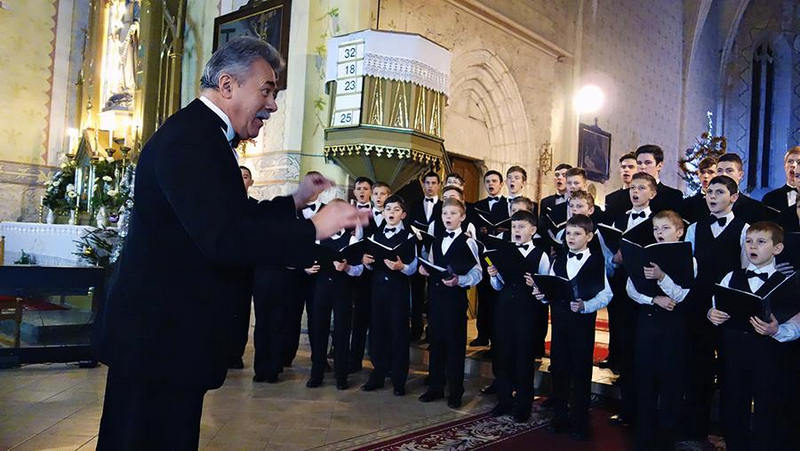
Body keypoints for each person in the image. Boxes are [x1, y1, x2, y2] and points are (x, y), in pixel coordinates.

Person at [93, 37, 367, 450]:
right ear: (227, 85)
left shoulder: (202, 135)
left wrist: (295, 201)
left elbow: (231, 216)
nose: (272, 105)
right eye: (267, 91)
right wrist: (312, 229)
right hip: (158, 340)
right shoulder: (190, 140)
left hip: (167, 338)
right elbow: (223, 238)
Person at [706, 222, 798, 451]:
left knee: (769, 408)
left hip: (770, 357)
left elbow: (796, 323)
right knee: (734, 405)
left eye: (761, 242)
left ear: (777, 248)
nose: (752, 246)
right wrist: (712, 314)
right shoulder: (731, 277)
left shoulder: (789, 282)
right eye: (748, 241)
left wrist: (777, 330)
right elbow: (716, 305)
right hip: (734, 354)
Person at [683, 175, 749, 444]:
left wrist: (729, 308)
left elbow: (745, 273)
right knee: (697, 371)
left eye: (719, 192)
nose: (712, 196)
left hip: (729, 310)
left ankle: (731, 436)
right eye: (710, 192)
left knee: (731, 375)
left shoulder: (744, 230)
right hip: (700, 309)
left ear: (734, 197)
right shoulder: (694, 228)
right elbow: (689, 271)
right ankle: (694, 433)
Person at [626, 210, 695, 450]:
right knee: (645, 377)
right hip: (647, 321)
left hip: (673, 325)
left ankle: (666, 436)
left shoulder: (689, 258)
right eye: (656, 229)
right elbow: (631, 288)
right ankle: (644, 434)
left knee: (670, 380)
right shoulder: (645, 253)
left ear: (679, 232)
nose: (659, 233)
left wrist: (662, 276)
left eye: (665, 228)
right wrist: (653, 299)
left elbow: (683, 294)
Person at [542, 214, 612, 440]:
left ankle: (580, 421)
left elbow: (606, 294)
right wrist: (543, 294)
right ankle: (559, 416)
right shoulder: (558, 260)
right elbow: (551, 288)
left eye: (577, 234)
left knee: (581, 372)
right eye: (568, 234)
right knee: (559, 369)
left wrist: (586, 305)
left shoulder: (597, 261)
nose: (571, 238)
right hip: (560, 324)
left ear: (589, 237)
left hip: (582, 325)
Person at [418, 198, 483, 408]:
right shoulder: (436, 240)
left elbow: (478, 273)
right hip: (436, 298)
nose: (448, 217)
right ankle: (435, 387)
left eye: (453, 213)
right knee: (436, 343)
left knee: (455, 346)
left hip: (455, 300)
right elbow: (431, 263)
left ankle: (456, 391)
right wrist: (424, 269)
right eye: (445, 213)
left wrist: (460, 280)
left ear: (462, 217)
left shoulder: (469, 242)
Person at [487, 210, 551, 422]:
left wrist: (537, 285)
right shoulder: (505, 251)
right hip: (505, 307)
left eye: (521, 227)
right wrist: (494, 276)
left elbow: (546, 288)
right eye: (514, 227)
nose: (517, 230)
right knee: (503, 355)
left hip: (527, 310)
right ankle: (504, 400)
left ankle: (523, 405)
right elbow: (498, 286)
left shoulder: (541, 255)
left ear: (533, 230)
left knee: (523, 357)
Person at [361, 195, 418, 395]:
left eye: (396, 209)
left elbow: (413, 266)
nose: (391, 213)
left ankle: (399, 380)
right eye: (388, 209)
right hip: (378, 290)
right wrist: (366, 262)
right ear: (383, 212)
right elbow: (369, 265)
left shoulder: (409, 237)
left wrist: (402, 267)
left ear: (403, 214)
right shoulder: (374, 236)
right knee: (378, 332)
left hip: (398, 290)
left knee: (398, 333)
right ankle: (378, 374)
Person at [306, 200, 365, 390]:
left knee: (342, 332)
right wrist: (308, 267)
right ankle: (316, 374)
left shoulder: (352, 240)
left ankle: (341, 376)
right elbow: (307, 258)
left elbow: (359, 269)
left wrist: (347, 267)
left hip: (343, 290)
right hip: (321, 288)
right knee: (319, 330)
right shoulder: (318, 238)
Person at [408, 172, 442, 342]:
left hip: (437, 255)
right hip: (417, 254)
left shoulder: (443, 206)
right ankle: (416, 329)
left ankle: (432, 332)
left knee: (434, 295)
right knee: (416, 293)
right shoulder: (414, 205)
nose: (430, 186)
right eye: (427, 183)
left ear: (439, 185)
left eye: (433, 183)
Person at [228, 165, 256, 370]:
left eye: (245, 177)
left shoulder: (255, 207)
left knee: (241, 310)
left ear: (251, 182)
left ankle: (236, 353)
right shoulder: (221, 204)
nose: (241, 180)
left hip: (246, 267)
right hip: (225, 265)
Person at [348, 177, 374, 373]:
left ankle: (375, 360)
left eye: (366, 188)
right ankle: (352, 360)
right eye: (359, 188)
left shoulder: (380, 214)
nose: (362, 191)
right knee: (352, 319)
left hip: (371, 274)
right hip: (349, 271)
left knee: (369, 318)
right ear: (354, 191)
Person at [716, 153, 773, 224]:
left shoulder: (756, 209)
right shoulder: (704, 206)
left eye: (729, 170)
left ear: (740, 175)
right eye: (719, 170)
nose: (723, 174)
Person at [634, 144, 683, 214]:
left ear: (659, 166)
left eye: (648, 163)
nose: (642, 167)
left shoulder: (672, 195)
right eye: (639, 163)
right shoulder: (625, 195)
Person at [761, 146, 799, 217]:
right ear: (785, 166)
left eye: (799, 162)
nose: (793, 165)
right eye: (790, 161)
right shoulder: (770, 198)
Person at [680, 156, 716, 224]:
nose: (705, 176)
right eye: (702, 172)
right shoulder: (687, 204)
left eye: (710, 172)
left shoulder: (725, 202)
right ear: (698, 174)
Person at [604, 152, 637, 220]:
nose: (626, 170)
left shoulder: (643, 197)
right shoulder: (611, 198)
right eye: (623, 167)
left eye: (631, 167)